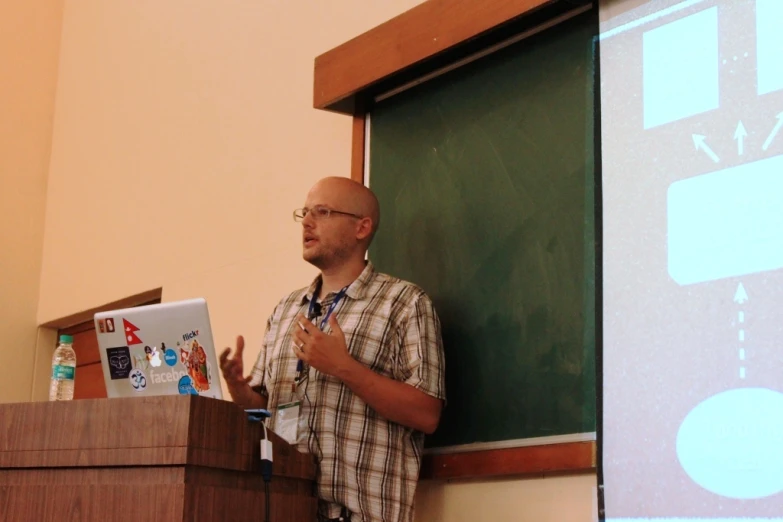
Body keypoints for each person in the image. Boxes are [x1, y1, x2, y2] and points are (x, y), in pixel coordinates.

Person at [219, 176, 446, 522]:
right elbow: (264, 410)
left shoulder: (404, 303)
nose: (307, 223)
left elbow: (427, 413)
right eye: (305, 213)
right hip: (283, 508)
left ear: (362, 227)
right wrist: (238, 390)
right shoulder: (286, 309)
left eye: (322, 212)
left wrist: (344, 367)